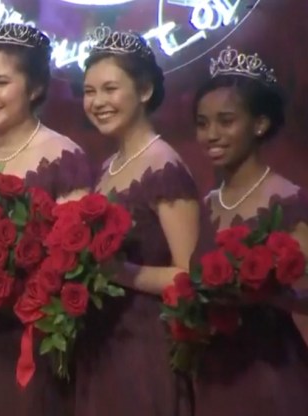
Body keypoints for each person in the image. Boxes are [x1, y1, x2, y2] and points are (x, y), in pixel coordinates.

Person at [0, 21, 92, 416]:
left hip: (31, 342)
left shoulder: (63, 156)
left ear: (35, 88)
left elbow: (75, 263)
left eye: (0, 82)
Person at [74, 26, 200, 416]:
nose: (97, 102)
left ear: (144, 91)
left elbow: (190, 276)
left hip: (146, 345)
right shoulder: (109, 166)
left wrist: (114, 271)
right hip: (104, 339)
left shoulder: (163, 165)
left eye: (110, 89)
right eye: (89, 92)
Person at [192, 46, 308, 416]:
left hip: (269, 370)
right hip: (212, 372)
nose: (211, 134)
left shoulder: (286, 200)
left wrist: (257, 293)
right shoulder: (207, 204)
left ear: (259, 123)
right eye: (202, 123)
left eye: (226, 121)